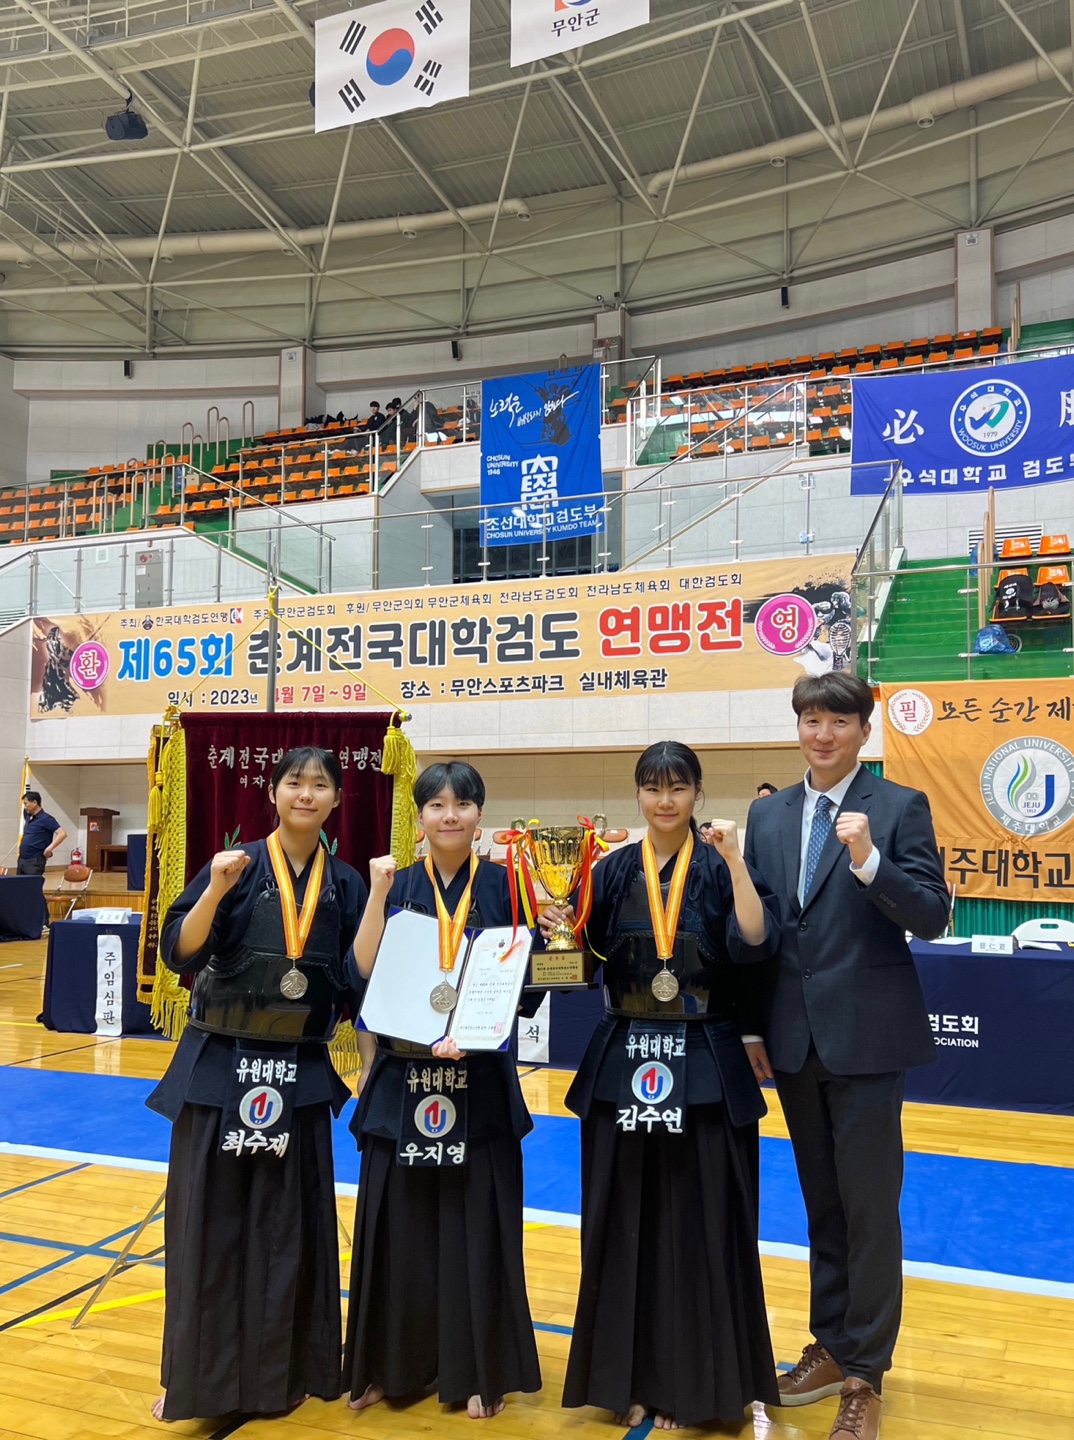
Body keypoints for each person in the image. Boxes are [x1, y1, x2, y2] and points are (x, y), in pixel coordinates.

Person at [546, 740, 780, 1432]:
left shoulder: (721, 864)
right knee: (624, 1223)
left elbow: (756, 941)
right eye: (652, 787)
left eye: (678, 787)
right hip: (625, 1058)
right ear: (639, 794)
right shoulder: (612, 870)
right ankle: (628, 1383)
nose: (665, 800)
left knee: (704, 1224)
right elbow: (579, 964)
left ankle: (698, 1385)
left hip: (706, 1059)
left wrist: (737, 861)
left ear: (698, 793)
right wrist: (558, 926)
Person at [740, 673, 948, 1440]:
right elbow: (760, 928)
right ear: (797, 727)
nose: (822, 734)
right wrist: (752, 1029)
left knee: (869, 1211)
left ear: (865, 729)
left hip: (867, 1039)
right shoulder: (768, 814)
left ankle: (866, 1373)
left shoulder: (898, 807)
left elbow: (932, 914)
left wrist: (869, 861)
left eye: (838, 721)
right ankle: (829, 1346)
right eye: (811, 720)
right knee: (822, 1206)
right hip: (793, 1041)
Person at [146, 746, 368, 1423]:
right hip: (221, 1067)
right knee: (208, 1228)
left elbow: (359, 983)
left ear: (336, 800)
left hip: (298, 1074)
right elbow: (179, 951)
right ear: (273, 792)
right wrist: (214, 890)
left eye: (320, 785)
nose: (306, 794)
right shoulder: (234, 866)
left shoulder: (347, 883)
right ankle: (195, 1379)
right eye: (294, 782)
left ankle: (286, 1374)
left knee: (288, 1229)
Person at [344, 760, 541, 1422]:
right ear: (420, 816)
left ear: (480, 814)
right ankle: (385, 1366)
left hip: (479, 1079)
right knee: (396, 1227)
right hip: (403, 1079)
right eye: (436, 804)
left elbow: (529, 988)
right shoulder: (396, 884)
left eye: (462, 803)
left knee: (477, 1225)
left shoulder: (511, 886)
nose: (449, 815)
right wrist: (376, 896)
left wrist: (480, 1027)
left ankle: (481, 1369)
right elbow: (359, 975)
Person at [18, 791, 66, 875]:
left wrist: (49, 848)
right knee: (20, 883)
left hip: (34, 861)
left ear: (34, 803)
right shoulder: (29, 816)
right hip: (22, 859)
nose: (25, 807)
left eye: (26, 804)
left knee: (32, 883)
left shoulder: (46, 819)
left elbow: (62, 834)